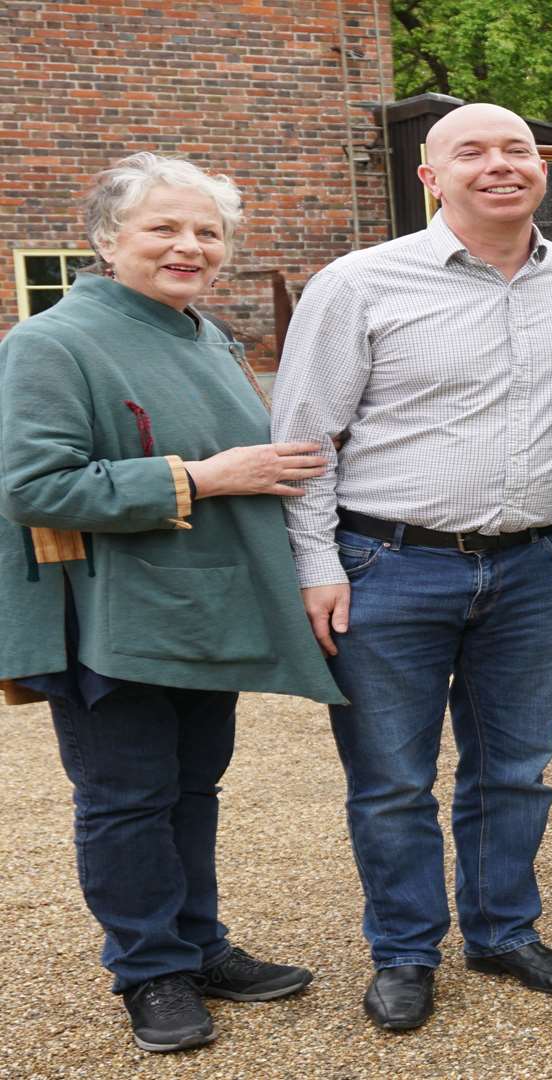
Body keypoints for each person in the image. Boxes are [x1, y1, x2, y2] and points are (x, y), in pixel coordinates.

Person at [271, 103, 552, 1031]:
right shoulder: (359, 283)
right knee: (391, 779)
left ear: (542, 169)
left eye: (518, 150)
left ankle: (503, 932)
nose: (499, 165)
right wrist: (316, 564)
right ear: (431, 177)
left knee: (517, 769)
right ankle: (405, 951)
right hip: (388, 561)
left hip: (536, 563)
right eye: (473, 151)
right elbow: (304, 437)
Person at [0, 153, 341, 1052]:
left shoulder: (207, 337)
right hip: (109, 616)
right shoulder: (51, 341)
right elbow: (34, 486)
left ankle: (199, 945)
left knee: (193, 788)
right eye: (164, 229)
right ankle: (149, 972)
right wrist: (203, 477)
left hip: (204, 605)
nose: (190, 247)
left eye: (207, 232)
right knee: (125, 798)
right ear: (108, 239)